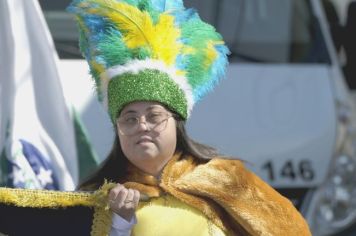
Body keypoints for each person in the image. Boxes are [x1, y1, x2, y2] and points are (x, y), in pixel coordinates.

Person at [68, 0, 312, 235]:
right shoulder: (98, 197)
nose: (142, 125)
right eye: (129, 119)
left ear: (177, 122)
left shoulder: (226, 181)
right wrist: (119, 223)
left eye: (154, 116)